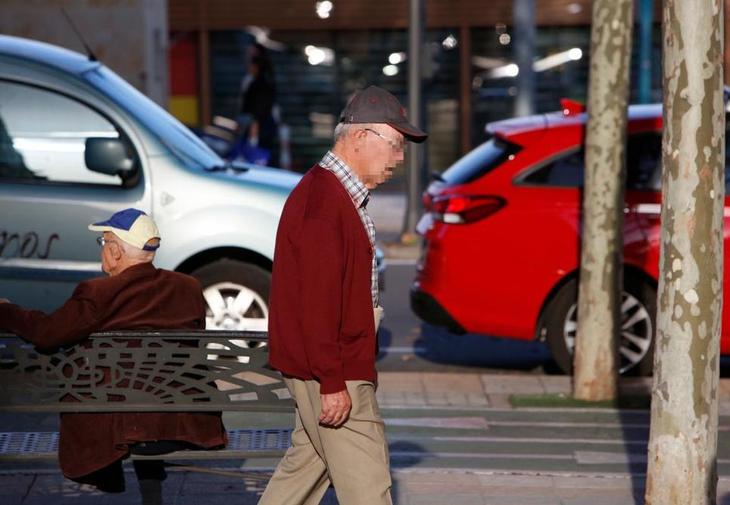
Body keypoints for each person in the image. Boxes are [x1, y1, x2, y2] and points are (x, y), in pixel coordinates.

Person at [259, 85, 427, 505]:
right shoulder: (325, 202)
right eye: (396, 145)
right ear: (359, 137)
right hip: (334, 368)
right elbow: (317, 303)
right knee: (369, 488)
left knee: (303, 474)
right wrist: (333, 381)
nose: (400, 158)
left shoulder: (333, 195)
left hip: (330, 363)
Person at [0, 208, 226, 505]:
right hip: (182, 421)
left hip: (121, 428)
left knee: (126, 394)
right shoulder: (188, 287)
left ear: (117, 251)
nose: (103, 250)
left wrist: (7, 310)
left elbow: (48, 333)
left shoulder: (99, 293)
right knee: (145, 387)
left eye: (104, 242)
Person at [239, 42, 277, 165]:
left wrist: (254, 130)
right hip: (257, 124)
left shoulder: (260, 84)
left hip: (259, 126)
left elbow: (258, 109)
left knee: (256, 156)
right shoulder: (256, 81)